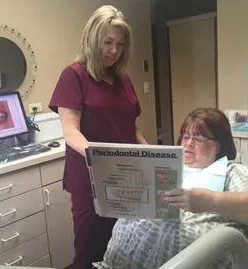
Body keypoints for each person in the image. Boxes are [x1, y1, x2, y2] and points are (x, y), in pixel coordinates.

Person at [49, 5, 147, 269]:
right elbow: (70, 130)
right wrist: (102, 158)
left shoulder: (123, 80)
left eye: (120, 44)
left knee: (125, 243)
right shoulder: (74, 75)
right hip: (91, 179)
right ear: (93, 39)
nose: (114, 51)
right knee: (91, 248)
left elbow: (131, 127)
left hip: (126, 176)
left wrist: (151, 156)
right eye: (107, 42)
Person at [93, 107, 248, 269]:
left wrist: (210, 200)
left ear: (219, 145)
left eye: (199, 138)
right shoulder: (164, 165)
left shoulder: (231, 171)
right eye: (185, 136)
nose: (188, 143)